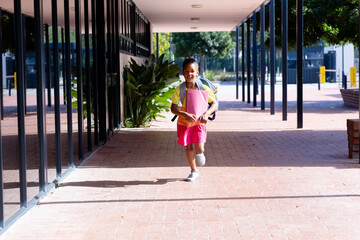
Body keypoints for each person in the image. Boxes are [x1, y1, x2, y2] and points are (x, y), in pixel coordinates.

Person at [171, 57, 217, 182]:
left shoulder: (203, 88)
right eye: (186, 71)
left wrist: (206, 114)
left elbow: (214, 103)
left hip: (199, 123)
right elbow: (173, 108)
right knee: (188, 147)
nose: (189, 74)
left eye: (192, 71)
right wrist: (184, 114)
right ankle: (193, 170)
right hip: (184, 122)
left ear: (197, 72)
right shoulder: (179, 89)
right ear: (182, 73)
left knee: (199, 148)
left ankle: (200, 153)